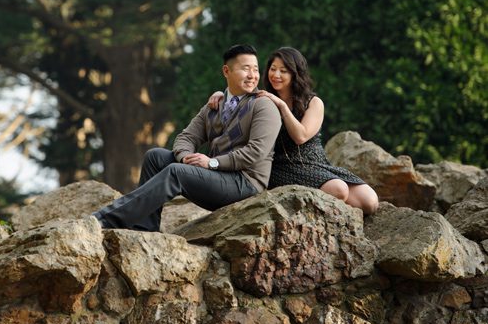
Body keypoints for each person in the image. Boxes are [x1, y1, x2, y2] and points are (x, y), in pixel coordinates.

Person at [92, 44, 282, 231]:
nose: (252, 75)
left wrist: (212, 163)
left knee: (177, 172)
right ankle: (144, 227)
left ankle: (105, 220)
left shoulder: (263, 105)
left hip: (245, 184)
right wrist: (185, 158)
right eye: (245, 69)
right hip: (218, 178)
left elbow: (256, 152)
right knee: (155, 156)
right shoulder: (215, 104)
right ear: (226, 71)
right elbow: (186, 137)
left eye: (256, 70)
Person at [208, 47, 379, 215]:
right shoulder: (262, 99)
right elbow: (236, 94)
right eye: (272, 69)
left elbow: (301, 136)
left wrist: (282, 106)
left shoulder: (313, 102)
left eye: (283, 71)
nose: (276, 75)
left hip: (315, 163)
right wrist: (219, 94)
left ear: (295, 74)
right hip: (280, 166)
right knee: (339, 190)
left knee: (370, 202)